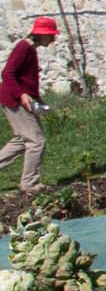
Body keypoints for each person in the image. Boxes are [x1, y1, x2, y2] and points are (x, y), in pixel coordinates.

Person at [0, 17, 58, 192]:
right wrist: (22, 95)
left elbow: (27, 80)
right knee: (36, 141)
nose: (53, 39)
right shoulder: (23, 48)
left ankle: (29, 182)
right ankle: (30, 184)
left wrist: (37, 99)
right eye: (50, 35)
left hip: (19, 100)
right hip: (15, 100)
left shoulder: (30, 50)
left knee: (22, 140)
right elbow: (7, 74)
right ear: (40, 34)